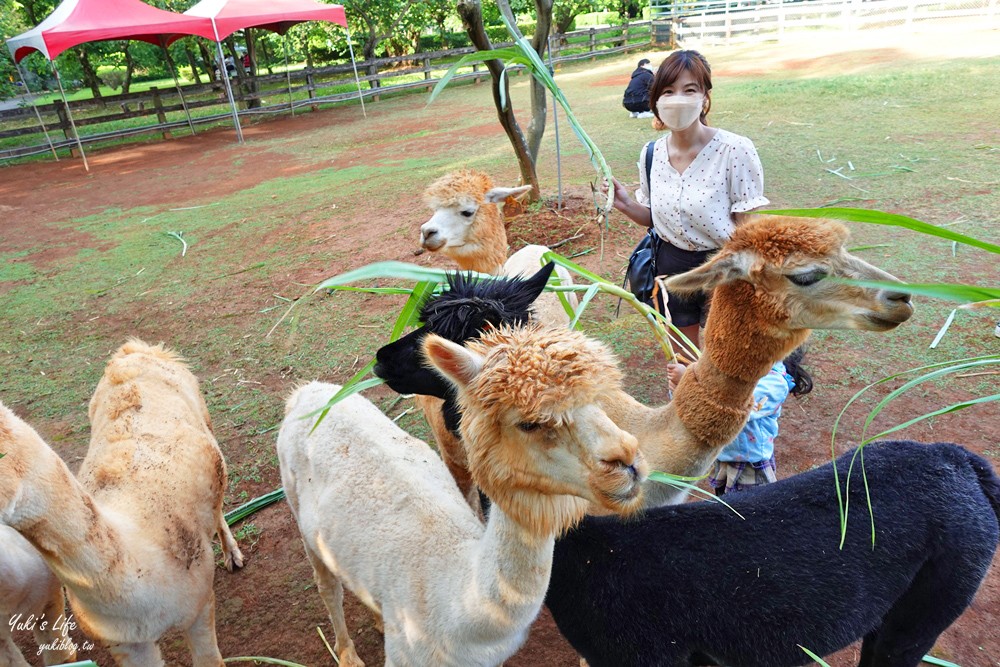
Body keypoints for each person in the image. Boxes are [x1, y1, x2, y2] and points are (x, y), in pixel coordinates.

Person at [609, 50, 769, 359]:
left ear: (705, 96)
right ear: (655, 100)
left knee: (725, 357)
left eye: (690, 90)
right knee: (682, 360)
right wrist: (625, 203)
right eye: (668, 91)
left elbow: (745, 232)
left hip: (722, 268)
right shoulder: (650, 154)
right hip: (670, 268)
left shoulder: (735, 150)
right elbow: (654, 218)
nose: (678, 99)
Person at [669, 348, 813, 495]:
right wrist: (681, 389)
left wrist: (687, 382)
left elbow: (731, 409)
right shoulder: (739, 369)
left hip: (750, 466)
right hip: (724, 458)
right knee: (727, 505)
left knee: (751, 512)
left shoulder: (774, 382)